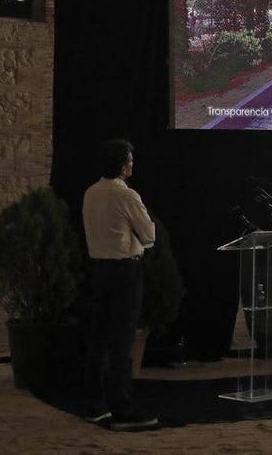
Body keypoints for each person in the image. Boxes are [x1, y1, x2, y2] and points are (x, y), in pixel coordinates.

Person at [82, 138, 159, 431]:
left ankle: (95, 405)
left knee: (98, 339)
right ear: (122, 164)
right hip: (125, 271)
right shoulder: (126, 195)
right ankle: (122, 410)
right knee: (122, 341)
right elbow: (149, 235)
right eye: (129, 159)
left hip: (99, 269)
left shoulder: (91, 192)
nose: (132, 163)